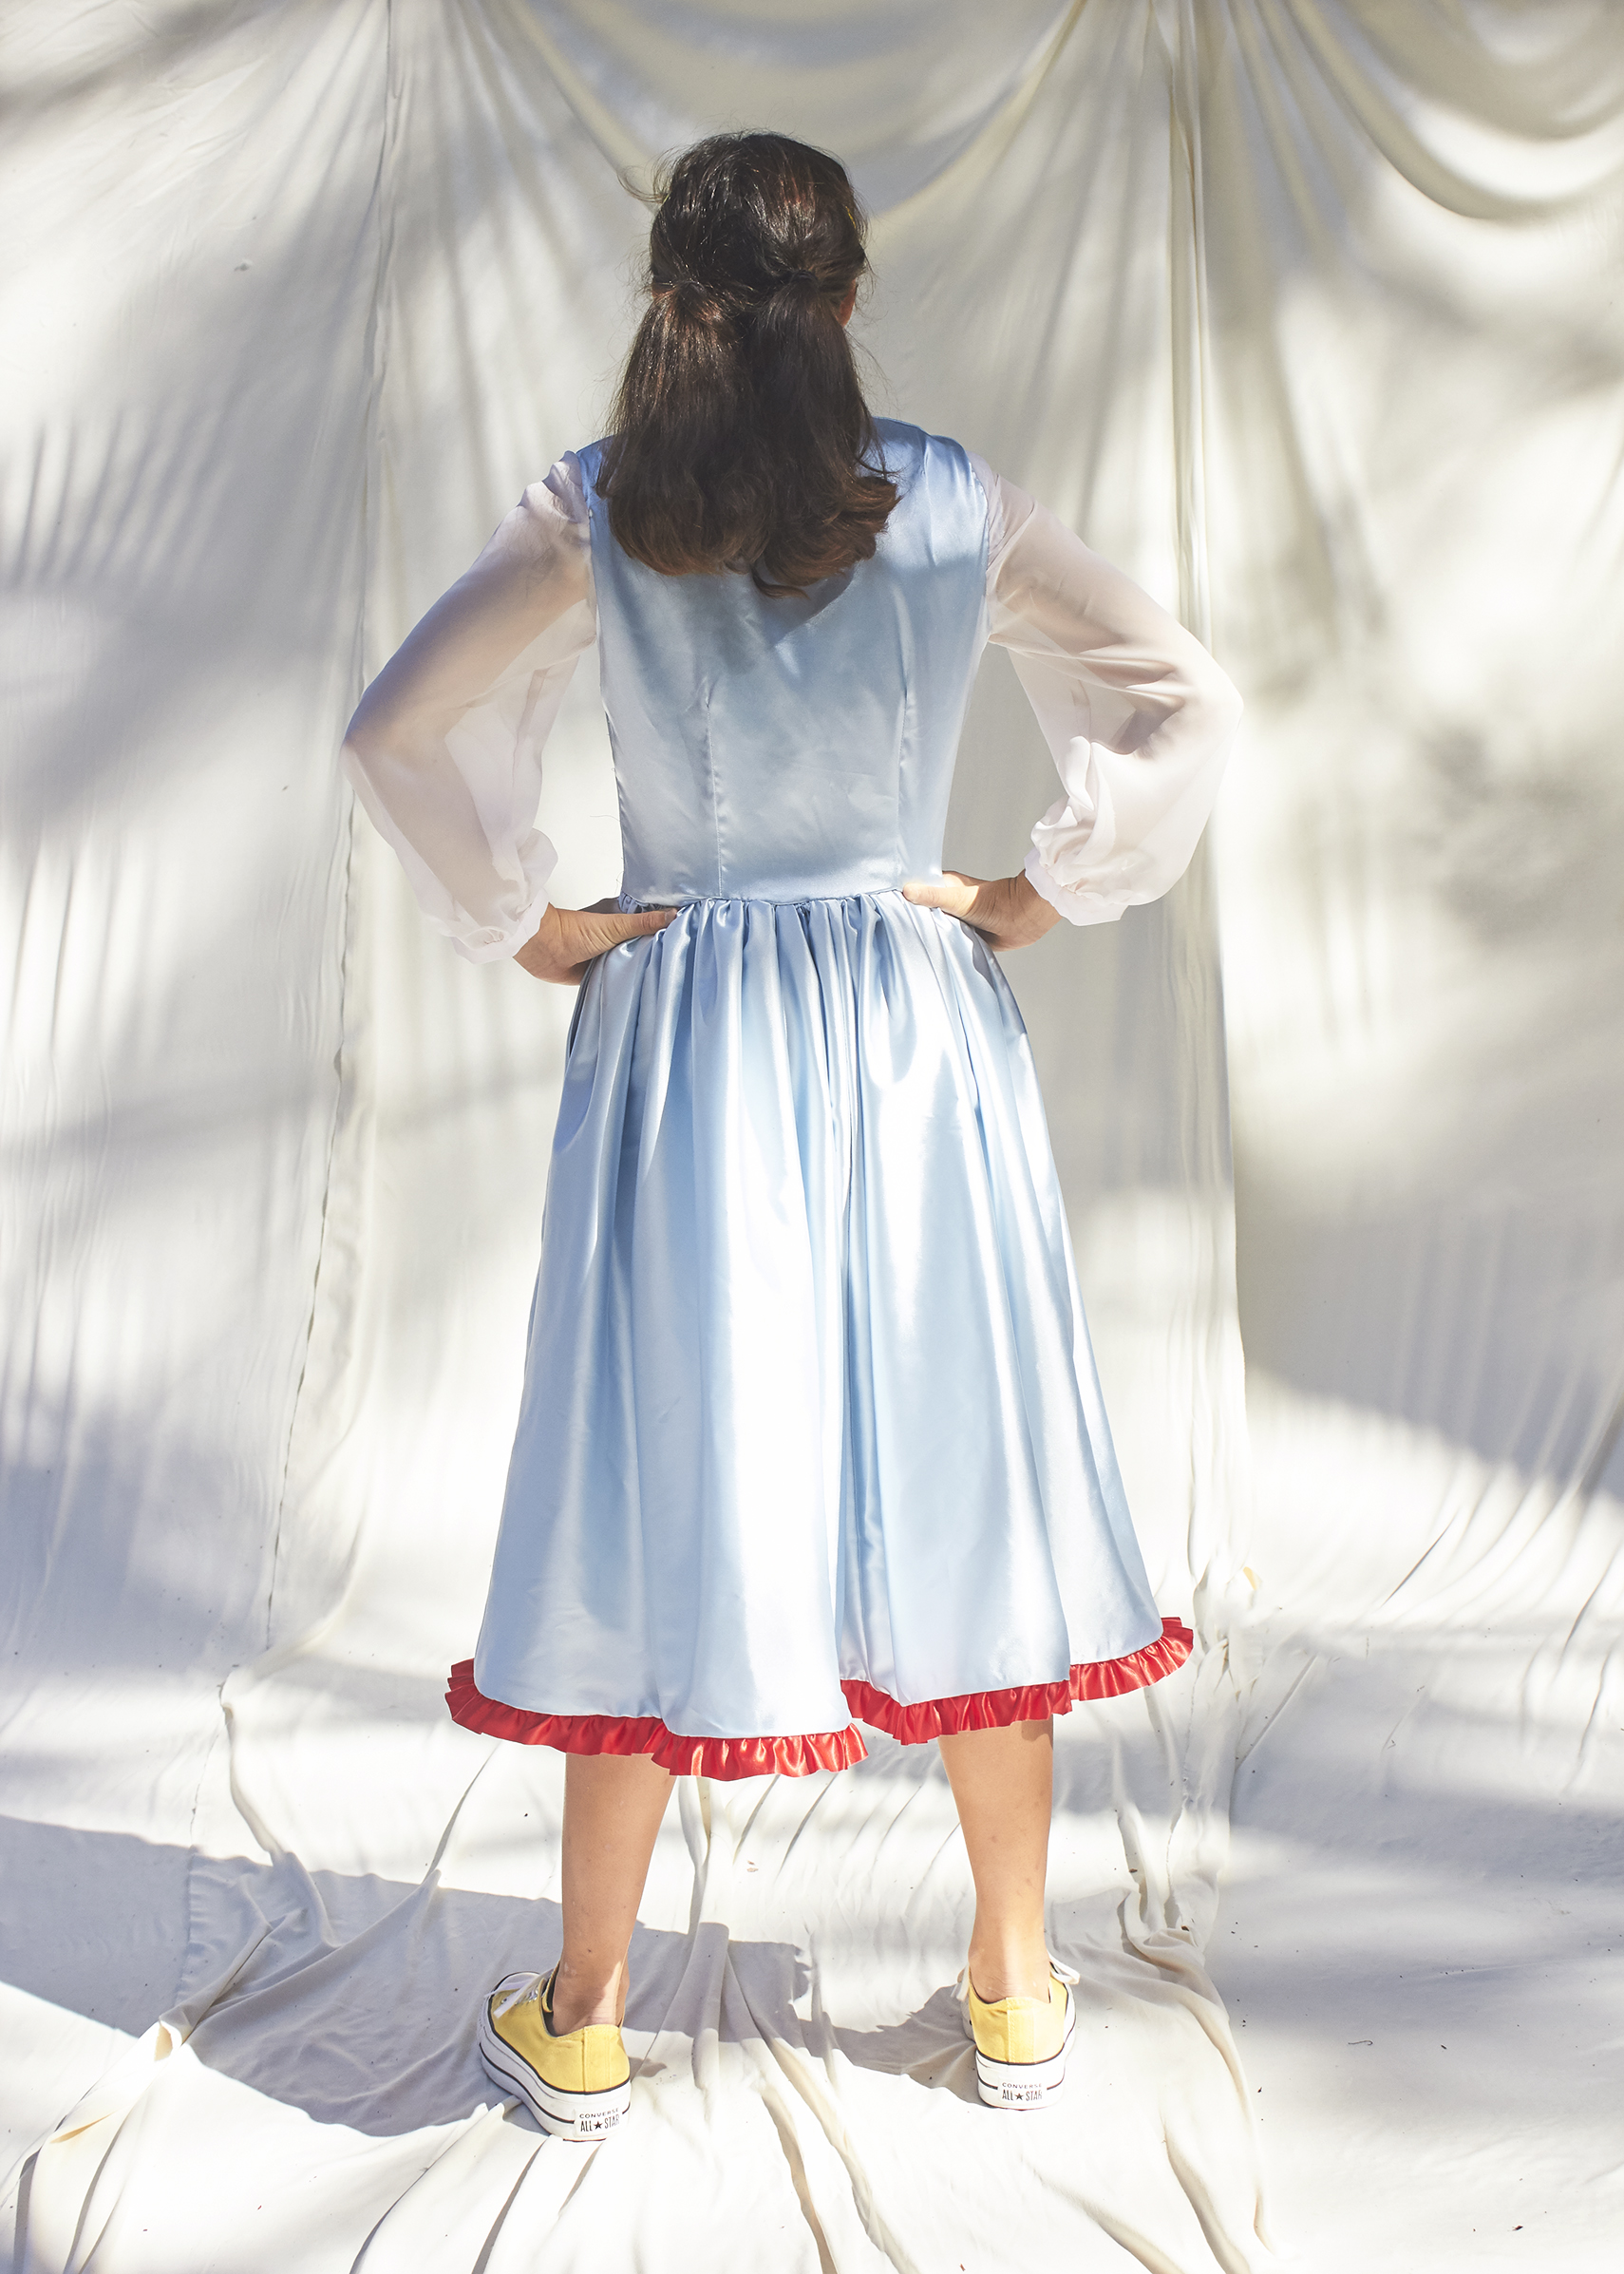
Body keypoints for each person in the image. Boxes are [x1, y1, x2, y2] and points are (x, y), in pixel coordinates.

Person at [342, 130, 1241, 2141]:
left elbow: (394, 731)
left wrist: (544, 926)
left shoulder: (598, 514)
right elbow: (1183, 697)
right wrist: (1024, 893)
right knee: (960, 1465)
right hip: (915, 1038)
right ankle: (1014, 1991)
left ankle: (582, 2012)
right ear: (846, 300)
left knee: (667, 1476)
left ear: (672, 295)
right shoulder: (953, 501)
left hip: (694, 1054)